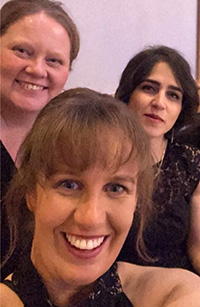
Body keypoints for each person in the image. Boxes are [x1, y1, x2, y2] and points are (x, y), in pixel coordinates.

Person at [1, 88, 200, 307]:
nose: (91, 218)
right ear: (32, 193)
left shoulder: (177, 294)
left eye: (115, 188)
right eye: (69, 185)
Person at [0, 0, 80, 280]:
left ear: (67, 72)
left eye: (54, 60)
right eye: (22, 51)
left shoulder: (70, 144)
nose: (37, 69)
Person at [115, 45, 200, 274]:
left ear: (181, 108)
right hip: (112, 287)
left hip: (179, 288)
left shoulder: (192, 164)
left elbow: (197, 251)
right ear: (127, 94)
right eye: (149, 88)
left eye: (173, 95)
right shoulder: (101, 157)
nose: (159, 103)